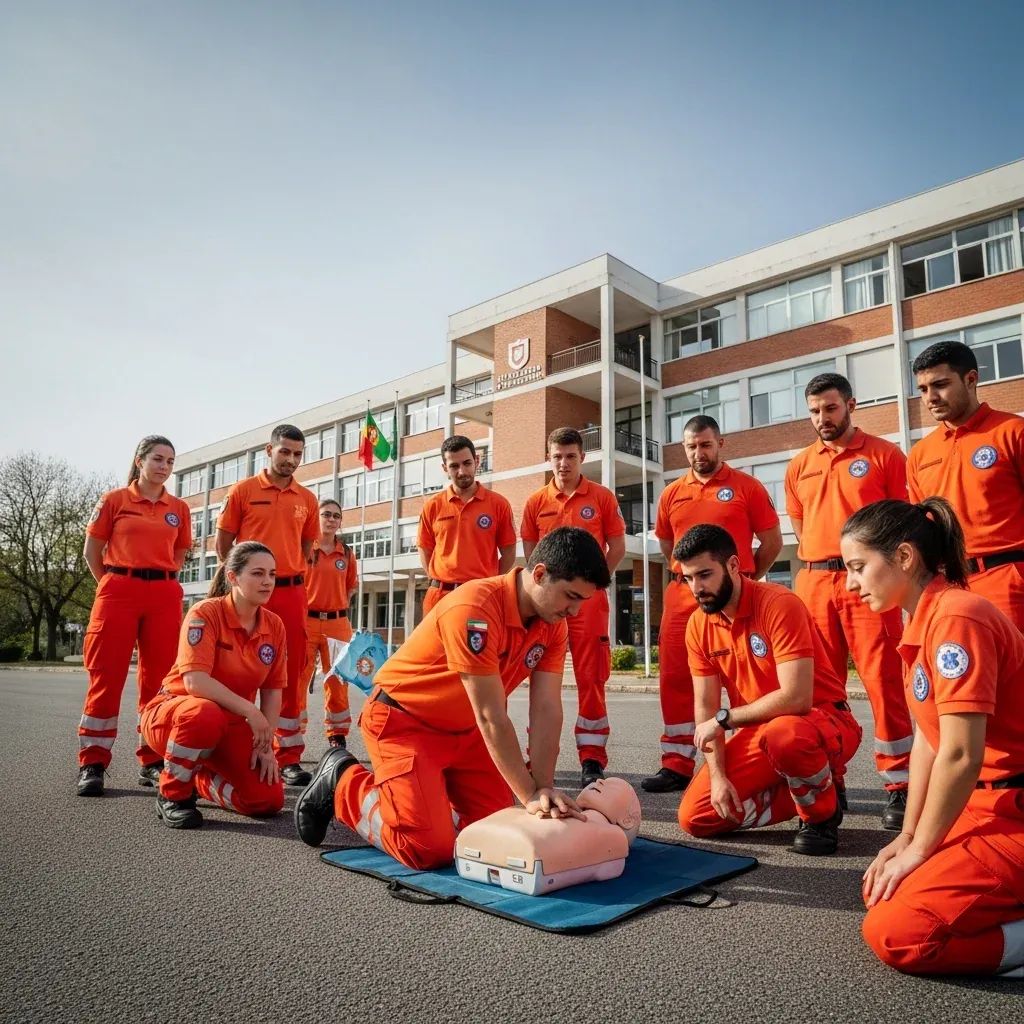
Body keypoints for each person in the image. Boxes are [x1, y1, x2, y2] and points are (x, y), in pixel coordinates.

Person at [293, 527, 612, 870]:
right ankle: (343, 781)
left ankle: (423, 800)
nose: (576, 612)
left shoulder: (553, 623)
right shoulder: (474, 609)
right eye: (571, 597)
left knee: (495, 833)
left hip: (466, 733)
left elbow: (548, 709)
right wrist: (529, 794)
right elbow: (491, 715)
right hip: (405, 723)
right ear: (539, 574)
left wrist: (544, 788)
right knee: (426, 849)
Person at [841, 498, 1024, 978]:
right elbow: (929, 738)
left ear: (904, 557)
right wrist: (907, 838)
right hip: (983, 808)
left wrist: (922, 849)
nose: (850, 583)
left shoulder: (957, 618)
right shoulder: (922, 620)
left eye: (859, 567)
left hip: (1012, 813)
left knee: (897, 935)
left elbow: (961, 755)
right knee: (881, 887)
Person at [676, 525, 862, 855]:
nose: (696, 587)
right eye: (688, 578)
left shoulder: (779, 603)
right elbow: (706, 709)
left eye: (704, 574)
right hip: (759, 732)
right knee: (697, 817)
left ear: (733, 565)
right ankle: (819, 785)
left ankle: (820, 814)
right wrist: (718, 777)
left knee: (785, 735)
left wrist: (725, 719)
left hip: (820, 720)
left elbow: (796, 697)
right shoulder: (698, 625)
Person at [785, 372, 914, 830]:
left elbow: (904, 522)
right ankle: (831, 782)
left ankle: (899, 785)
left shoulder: (884, 456)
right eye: (815, 411)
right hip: (816, 582)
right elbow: (801, 527)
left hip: (868, 583)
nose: (822, 418)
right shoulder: (799, 464)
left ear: (851, 405)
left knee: (884, 683)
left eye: (831, 409)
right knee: (819, 691)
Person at [643, 415, 781, 794]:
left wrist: (743, 579)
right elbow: (669, 545)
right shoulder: (672, 493)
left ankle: (749, 758)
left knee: (742, 677)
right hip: (681, 596)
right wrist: (690, 577)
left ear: (721, 443)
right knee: (674, 677)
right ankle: (676, 762)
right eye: (691, 446)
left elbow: (771, 542)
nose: (698, 452)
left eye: (705, 444)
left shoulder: (747, 488)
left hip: (733, 596)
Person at [140, 542, 285, 829]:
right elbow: (195, 682)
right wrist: (252, 714)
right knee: (204, 714)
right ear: (233, 577)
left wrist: (266, 746)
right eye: (257, 573)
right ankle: (173, 795)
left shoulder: (274, 625)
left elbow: (272, 691)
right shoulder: (205, 613)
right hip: (176, 717)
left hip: (228, 725)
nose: (267, 581)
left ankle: (195, 777)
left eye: (272, 573)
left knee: (266, 801)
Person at [77, 436, 192, 797]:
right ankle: (92, 763)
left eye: (170, 461)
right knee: (106, 675)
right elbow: (91, 551)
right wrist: (114, 582)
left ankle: (152, 759)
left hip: (162, 593)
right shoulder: (114, 500)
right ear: (140, 461)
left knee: (159, 681)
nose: (164, 466)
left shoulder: (179, 508)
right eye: (158, 459)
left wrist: (159, 578)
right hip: (118, 590)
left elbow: (180, 552)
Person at [520, 427, 626, 787]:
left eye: (570, 456)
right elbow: (532, 554)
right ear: (549, 458)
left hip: (591, 606)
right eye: (556, 456)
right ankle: (537, 757)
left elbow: (617, 547)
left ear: (582, 457)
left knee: (591, 677)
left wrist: (592, 588)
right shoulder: (536, 502)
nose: (563, 463)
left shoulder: (601, 498)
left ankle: (592, 759)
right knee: (541, 678)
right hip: (547, 606)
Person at [216, 424, 319, 786]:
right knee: (238, 667)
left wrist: (284, 574)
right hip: (249, 589)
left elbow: (307, 548)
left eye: (297, 454)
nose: (291, 460)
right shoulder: (242, 491)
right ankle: (233, 744)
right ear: (269, 450)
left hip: (290, 591)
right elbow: (224, 545)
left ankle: (287, 754)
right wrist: (248, 581)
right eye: (285, 452)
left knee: (288, 673)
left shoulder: (307, 499)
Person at [908, 340, 1024, 633]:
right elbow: (924, 528)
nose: (930, 397)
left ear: (971, 379)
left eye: (940, 385)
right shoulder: (920, 454)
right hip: (950, 585)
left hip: (1009, 579)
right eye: (923, 389)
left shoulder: (1013, 432)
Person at [417, 435, 517, 616]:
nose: (462, 471)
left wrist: (489, 582)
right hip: (439, 596)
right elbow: (425, 549)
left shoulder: (498, 504)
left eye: (467, 463)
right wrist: (440, 578)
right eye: (454, 466)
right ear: (445, 468)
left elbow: (509, 553)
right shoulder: (432, 506)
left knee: (478, 644)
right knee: (435, 646)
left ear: (477, 461)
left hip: (481, 596)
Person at [299, 499, 358, 748]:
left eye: (336, 516)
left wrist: (335, 603)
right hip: (306, 621)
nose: (331, 519)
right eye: (326, 514)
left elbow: (351, 586)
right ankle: (290, 739)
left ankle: (337, 736)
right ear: (317, 518)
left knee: (338, 680)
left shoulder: (345, 553)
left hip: (337, 623)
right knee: (298, 679)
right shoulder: (305, 549)